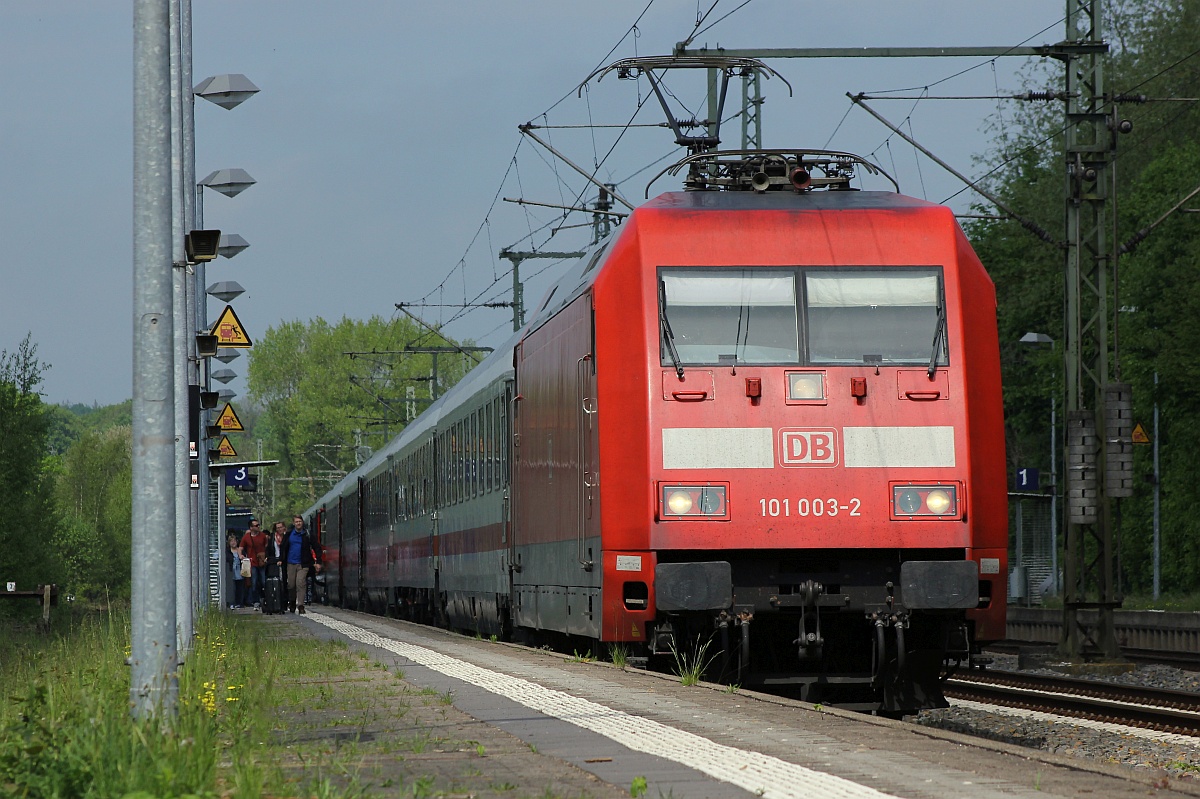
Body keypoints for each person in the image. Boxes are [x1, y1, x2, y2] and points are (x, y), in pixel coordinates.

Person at [284, 514, 321, 614]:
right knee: (291, 585)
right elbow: (284, 547)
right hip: (290, 563)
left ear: (302, 522)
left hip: (303, 563)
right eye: (296, 522)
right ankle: (292, 601)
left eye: (300, 521)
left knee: (300, 583)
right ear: (294, 523)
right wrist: (281, 559)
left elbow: (316, 547)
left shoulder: (307, 534)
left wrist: (318, 562)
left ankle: (300, 605)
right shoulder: (289, 534)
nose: (298, 523)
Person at [239, 519, 268, 609]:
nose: (258, 527)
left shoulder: (263, 536)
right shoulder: (246, 537)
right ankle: (256, 601)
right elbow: (240, 547)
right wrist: (241, 555)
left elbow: (267, 547)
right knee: (253, 583)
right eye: (256, 525)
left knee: (264, 581)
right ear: (251, 528)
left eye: (258, 525)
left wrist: (266, 556)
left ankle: (265, 598)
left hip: (262, 562)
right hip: (252, 563)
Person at [226, 532, 248, 609]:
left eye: (234, 541)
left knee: (240, 588)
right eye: (231, 541)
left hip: (240, 571)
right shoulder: (227, 552)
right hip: (231, 572)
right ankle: (232, 602)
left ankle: (240, 602)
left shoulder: (240, 550)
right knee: (232, 588)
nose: (233, 543)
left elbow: (246, 558)